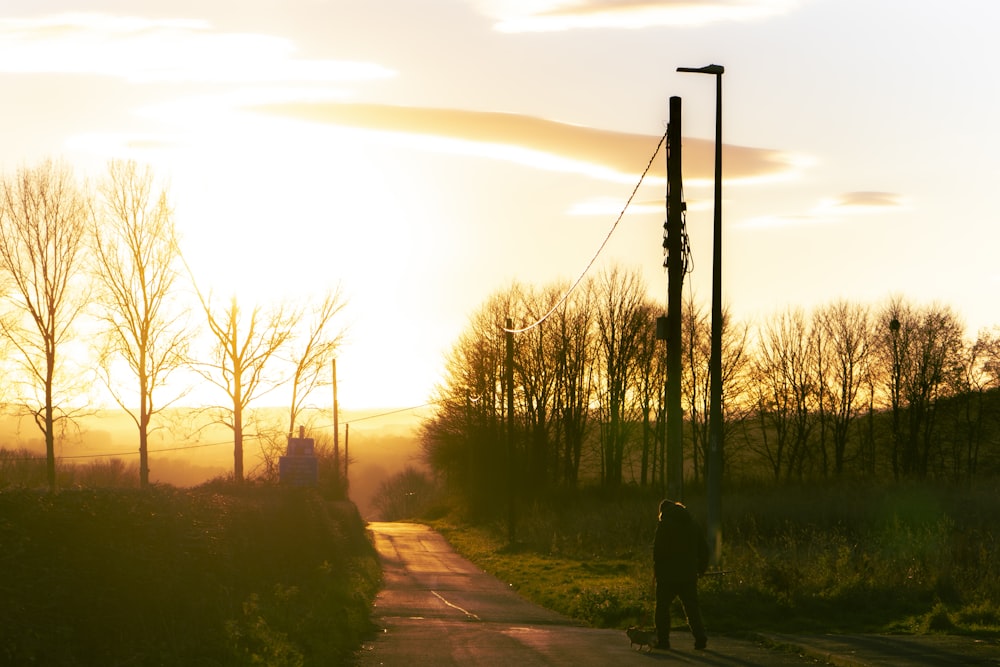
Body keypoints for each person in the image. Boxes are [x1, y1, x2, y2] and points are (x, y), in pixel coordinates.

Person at [653, 499, 708, 651]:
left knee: (662, 608)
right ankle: (700, 638)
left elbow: (658, 550)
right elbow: (704, 550)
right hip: (688, 575)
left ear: (663, 512)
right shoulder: (693, 525)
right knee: (692, 607)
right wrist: (701, 570)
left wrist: (657, 569)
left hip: (667, 576)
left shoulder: (664, 525)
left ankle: (663, 641)